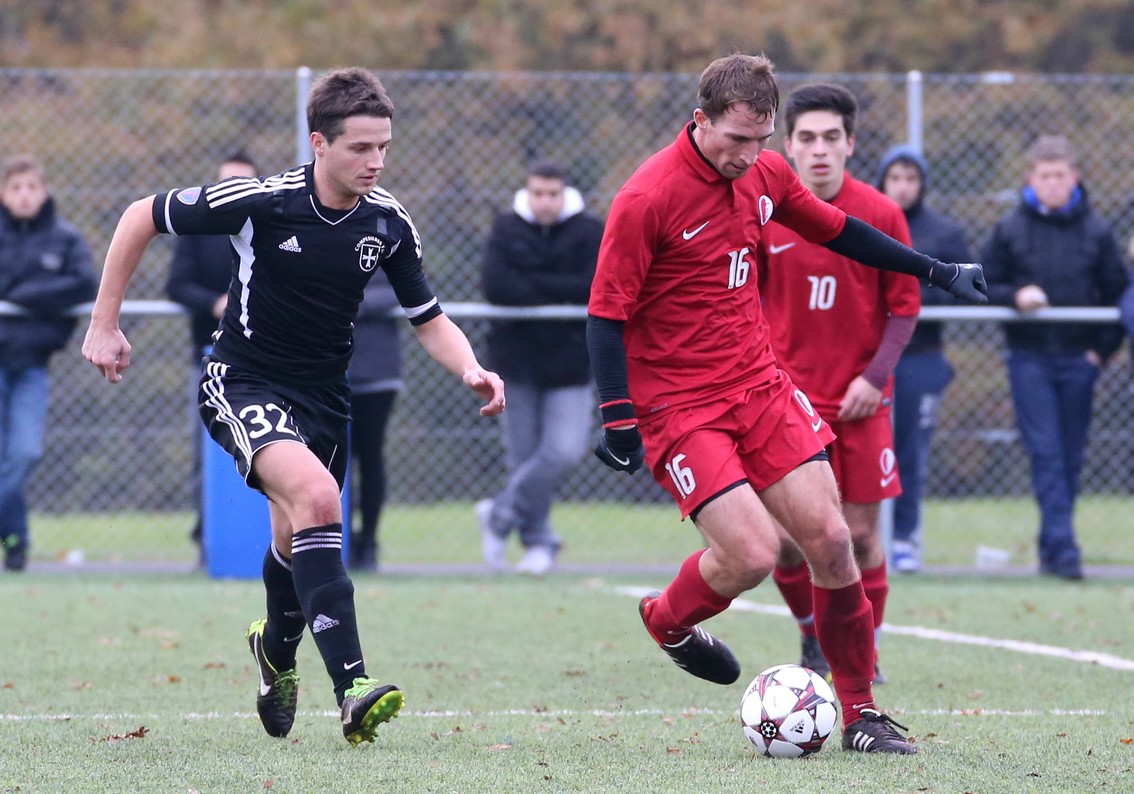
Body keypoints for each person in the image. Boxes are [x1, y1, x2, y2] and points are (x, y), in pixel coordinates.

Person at [82, 67, 505, 745]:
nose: (376, 162)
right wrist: (105, 323)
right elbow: (142, 216)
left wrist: (472, 367)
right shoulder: (262, 201)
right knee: (318, 499)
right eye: (361, 148)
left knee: (295, 539)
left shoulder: (387, 222)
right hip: (243, 381)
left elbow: (428, 318)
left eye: (384, 147)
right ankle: (354, 687)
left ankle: (275, 651)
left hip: (322, 398)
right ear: (318, 142)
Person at [587, 53, 986, 755]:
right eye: (736, 139)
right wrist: (617, 417)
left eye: (761, 140)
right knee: (753, 555)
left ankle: (861, 713)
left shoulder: (766, 173)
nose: (750, 156)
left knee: (834, 542)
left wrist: (937, 270)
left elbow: (838, 230)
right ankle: (666, 620)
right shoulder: (647, 198)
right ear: (700, 119)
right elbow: (604, 315)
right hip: (682, 406)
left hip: (761, 386)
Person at [756, 84, 921, 686]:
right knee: (784, 544)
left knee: (858, 537)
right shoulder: (766, 213)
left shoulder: (880, 214)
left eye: (832, 138)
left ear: (850, 144)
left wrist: (874, 378)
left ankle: (863, 652)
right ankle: (811, 636)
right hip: (787, 404)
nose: (820, 150)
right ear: (789, 146)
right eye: (807, 139)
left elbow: (904, 307)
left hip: (860, 402)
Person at [981, 134, 1127, 581]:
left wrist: (1099, 354)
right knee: (1045, 453)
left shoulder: (1097, 231)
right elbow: (982, 280)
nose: (1052, 183)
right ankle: (1065, 554)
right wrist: (1015, 296)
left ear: (1074, 177)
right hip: (1029, 358)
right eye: (1044, 175)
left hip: (1078, 360)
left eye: (1060, 175)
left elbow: (1120, 294)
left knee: (1069, 456)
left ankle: (1052, 545)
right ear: (1031, 178)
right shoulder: (1009, 229)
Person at [475, 159, 603, 576]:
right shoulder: (507, 228)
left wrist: (533, 285)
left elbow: (594, 282)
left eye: (552, 193)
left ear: (563, 193)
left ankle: (498, 514)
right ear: (528, 193)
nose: (544, 202)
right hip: (515, 359)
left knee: (563, 450)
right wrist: (557, 291)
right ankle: (539, 543)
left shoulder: (588, 230)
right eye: (537, 193)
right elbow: (497, 285)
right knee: (523, 456)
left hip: (570, 359)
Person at [877, 145, 971, 575]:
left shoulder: (944, 232)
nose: (903, 186)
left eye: (911, 178)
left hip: (921, 356)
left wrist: (912, 291)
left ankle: (903, 537)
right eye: (895, 177)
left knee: (909, 451)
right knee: (862, 450)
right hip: (872, 357)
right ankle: (859, 537)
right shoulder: (866, 222)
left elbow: (964, 285)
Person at [0, 155, 96, 572]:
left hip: (32, 365)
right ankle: (17, 543)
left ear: (43, 191)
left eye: (31, 187)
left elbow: (83, 283)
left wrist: (21, 295)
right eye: (15, 188)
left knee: (24, 453)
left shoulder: (64, 239)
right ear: (4, 193)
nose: (24, 195)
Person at [165, 151, 260, 567]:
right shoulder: (197, 230)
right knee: (207, 450)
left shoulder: (270, 229)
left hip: (265, 361)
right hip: (208, 358)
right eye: (226, 181)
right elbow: (176, 285)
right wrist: (214, 303)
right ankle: (208, 540)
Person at [346, 266, 404, 572]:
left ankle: (368, 541)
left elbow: (402, 286)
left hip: (376, 370)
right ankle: (333, 540)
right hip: (323, 369)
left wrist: (349, 300)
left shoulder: (385, 230)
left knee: (370, 457)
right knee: (328, 457)